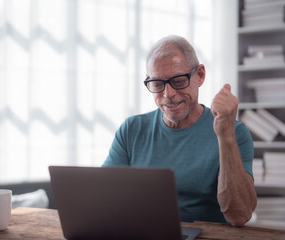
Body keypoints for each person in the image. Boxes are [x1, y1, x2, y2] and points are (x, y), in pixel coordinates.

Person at [103, 35, 257, 226]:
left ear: (200, 75)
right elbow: (105, 201)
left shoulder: (235, 133)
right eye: (158, 84)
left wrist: (225, 136)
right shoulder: (131, 130)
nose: (168, 95)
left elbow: (239, 216)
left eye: (177, 81)